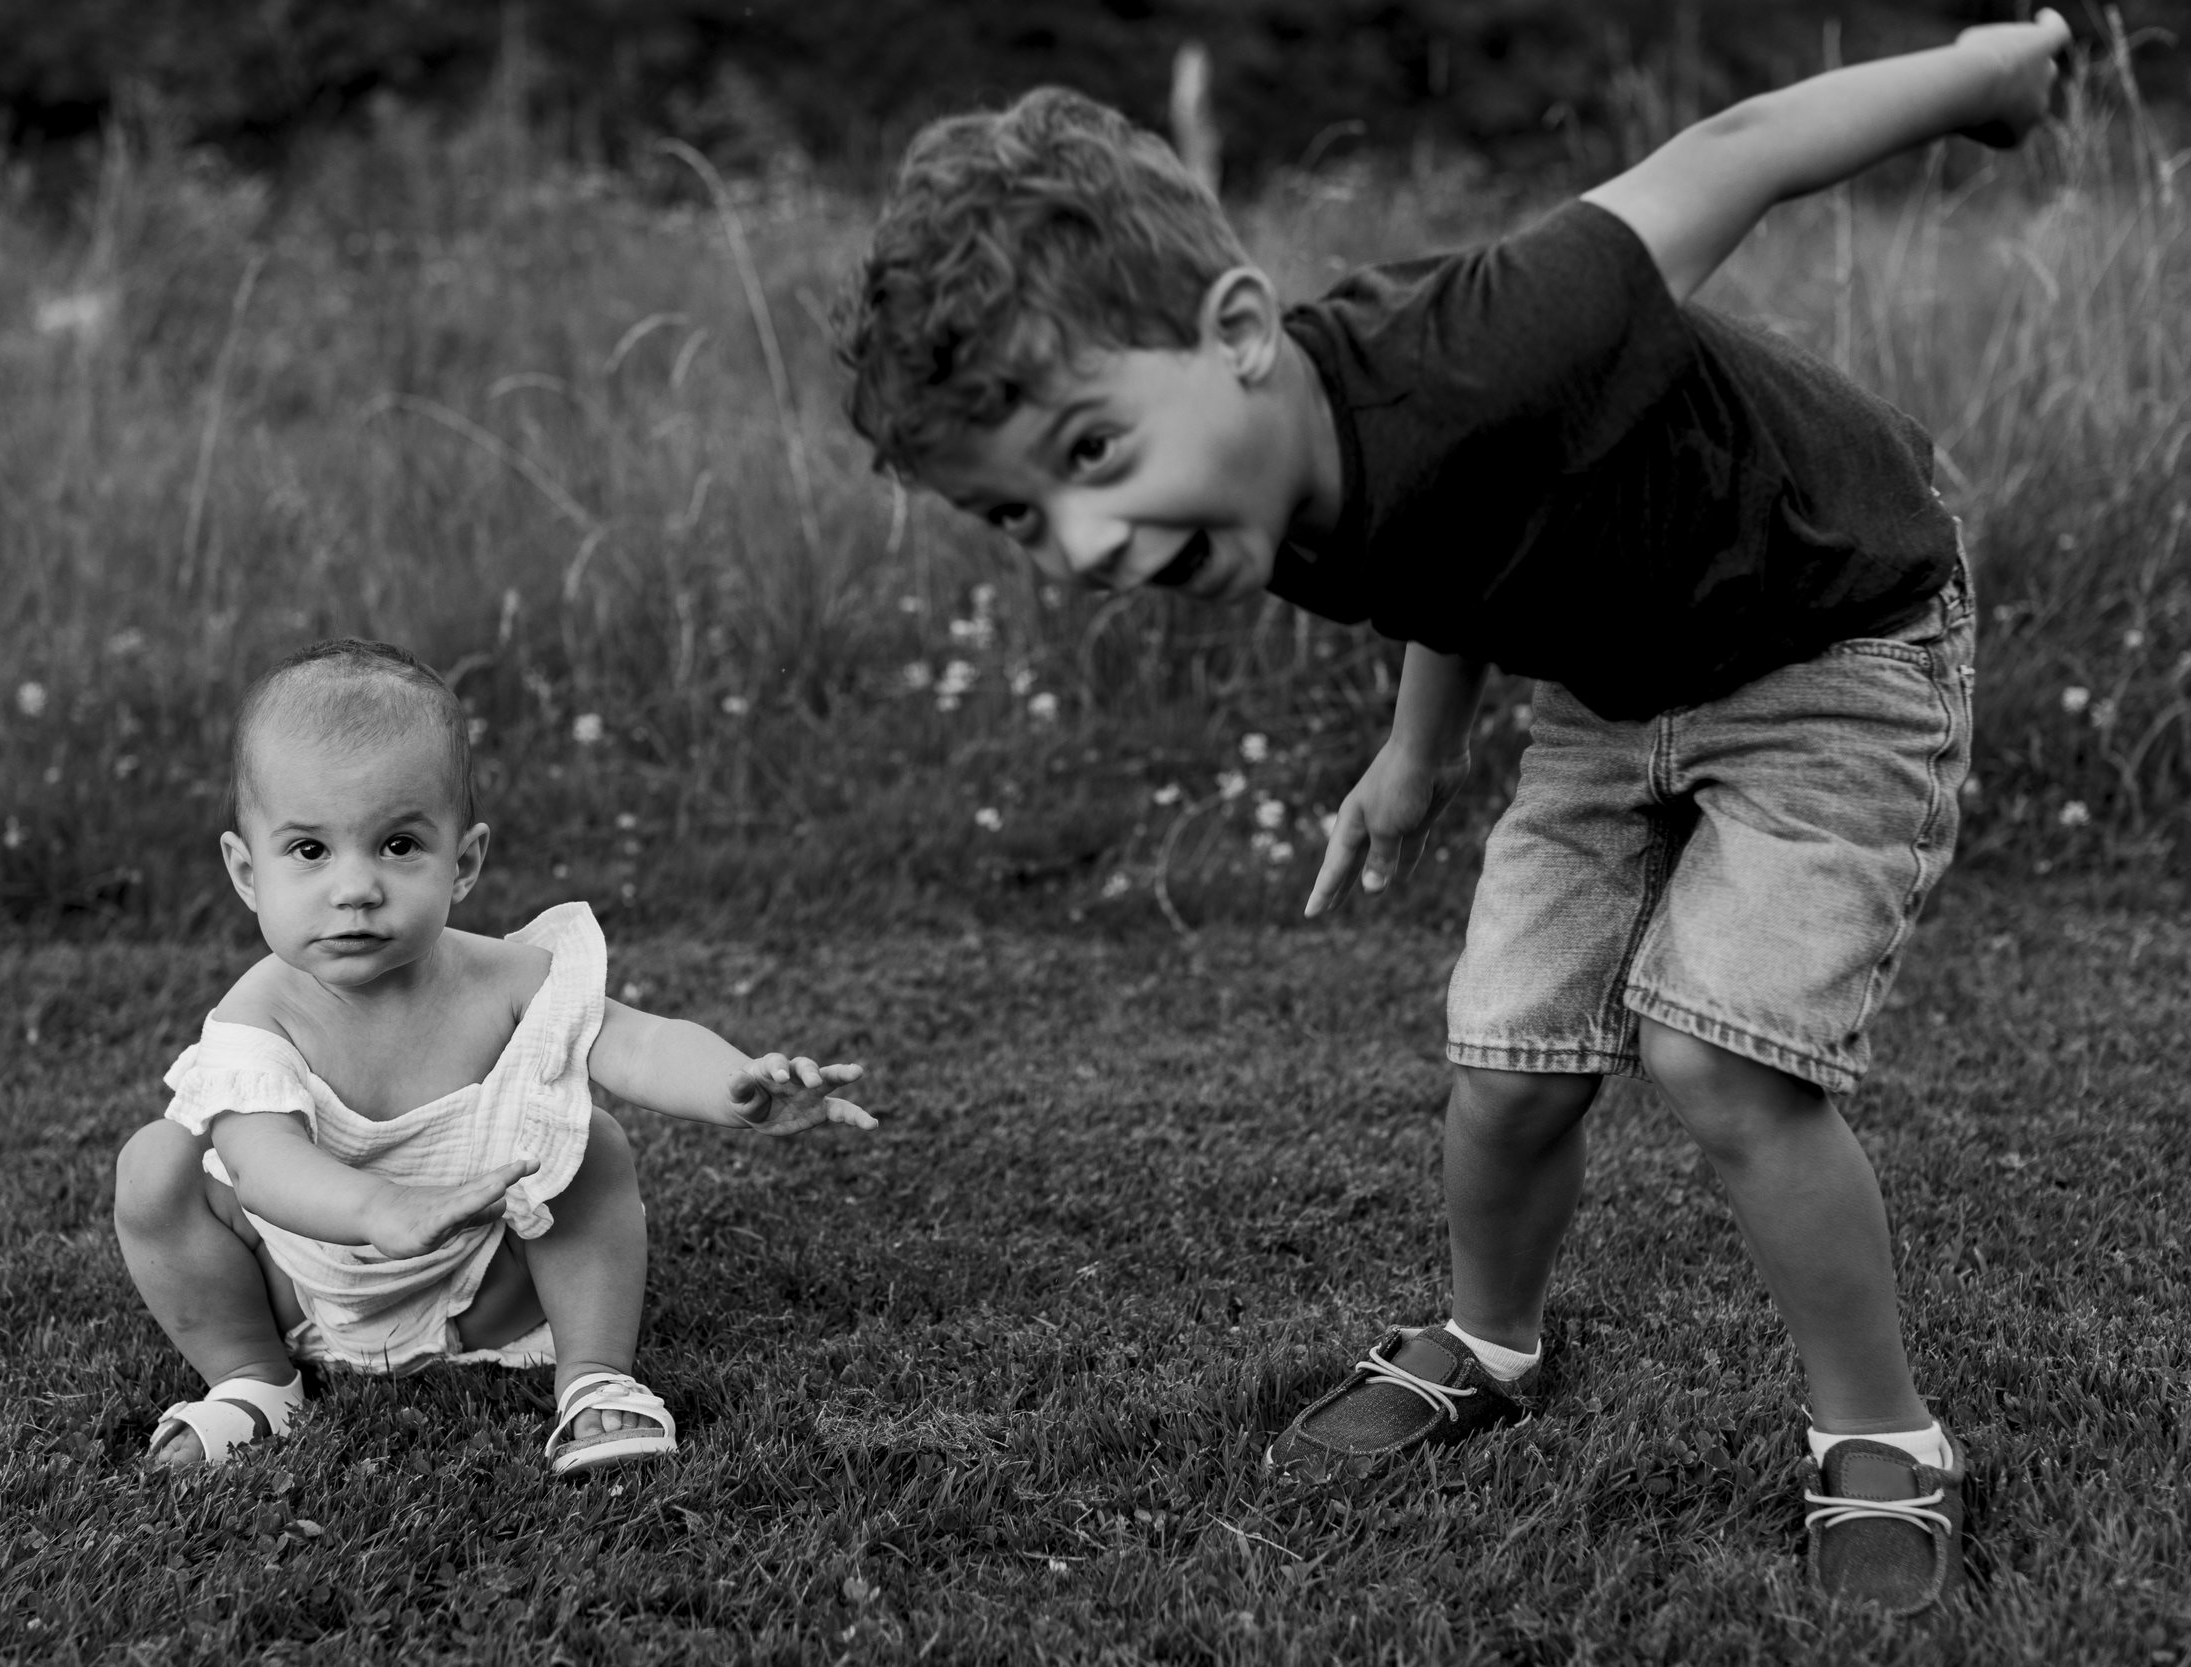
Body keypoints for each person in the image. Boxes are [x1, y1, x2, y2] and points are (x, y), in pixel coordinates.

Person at [835, 13, 2073, 1613]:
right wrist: (1415, 757)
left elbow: (1736, 151)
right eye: (1018, 512)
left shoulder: (1491, 342)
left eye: (1091, 449)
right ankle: (1489, 1340)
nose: (1078, 539)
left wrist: (1984, 78)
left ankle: (1885, 1430)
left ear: (1233, 332)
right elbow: (1448, 545)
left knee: (1718, 1056)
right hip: (1609, 687)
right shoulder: (1255, 486)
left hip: (1833, 633)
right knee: (1505, 1055)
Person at [112, 639, 874, 1475]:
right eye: (310, 850)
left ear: (463, 861)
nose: (356, 886)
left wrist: (738, 1088)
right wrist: (377, 1210)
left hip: (488, 1286)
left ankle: (593, 1376)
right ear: (246, 871)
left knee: (596, 1143)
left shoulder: (505, 978)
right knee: (156, 1166)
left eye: (398, 845)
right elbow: (262, 1166)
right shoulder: (259, 1014)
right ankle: (253, 1380)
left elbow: (638, 1040)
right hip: (306, 1288)